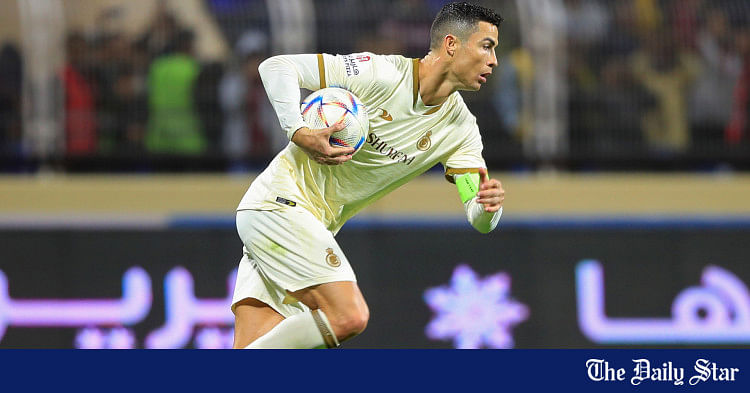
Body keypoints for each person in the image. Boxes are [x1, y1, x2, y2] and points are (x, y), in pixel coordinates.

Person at [231, 2, 506, 349]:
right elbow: (277, 66)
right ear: (451, 44)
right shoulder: (380, 74)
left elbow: (478, 216)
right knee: (349, 317)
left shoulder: (460, 130)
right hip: (279, 205)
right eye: (486, 46)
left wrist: (488, 208)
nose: (494, 61)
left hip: (298, 225)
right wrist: (298, 131)